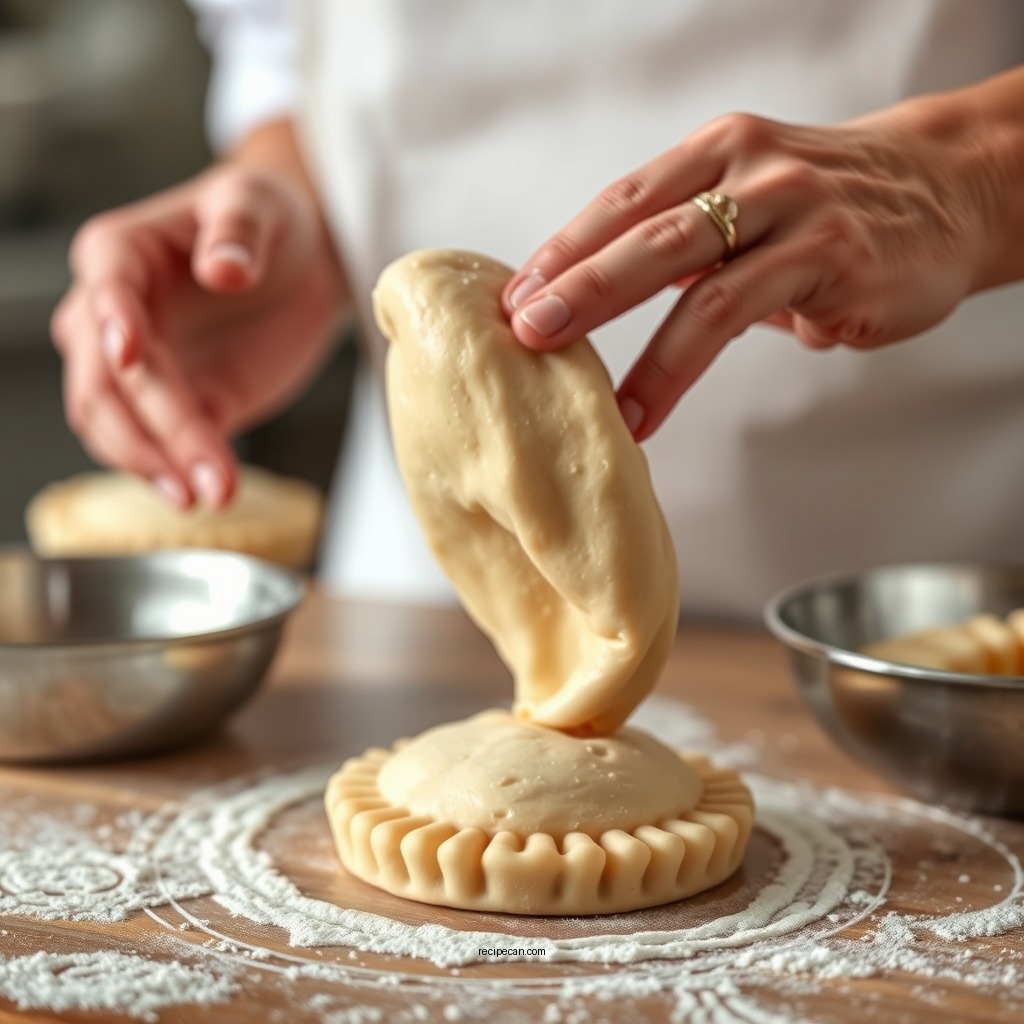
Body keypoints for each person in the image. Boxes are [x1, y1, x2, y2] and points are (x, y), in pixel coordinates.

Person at [50, 0, 1024, 619]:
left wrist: (976, 176)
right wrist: (295, 200)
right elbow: (284, 44)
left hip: (917, 623)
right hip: (424, 610)